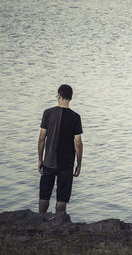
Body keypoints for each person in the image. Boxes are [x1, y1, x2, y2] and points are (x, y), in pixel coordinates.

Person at [37, 84, 83, 214]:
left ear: (59, 96)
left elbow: (41, 139)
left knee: (44, 195)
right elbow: (78, 143)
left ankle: (40, 220)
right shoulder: (76, 117)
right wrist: (79, 164)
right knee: (62, 198)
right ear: (71, 98)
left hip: (48, 161)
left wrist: (40, 160)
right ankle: (59, 224)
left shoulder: (47, 113)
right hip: (66, 164)